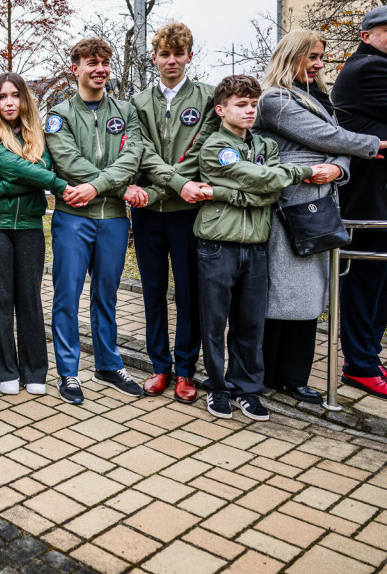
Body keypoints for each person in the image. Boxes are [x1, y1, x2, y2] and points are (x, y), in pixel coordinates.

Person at [254, 29, 383, 404]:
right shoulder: (274, 100)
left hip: (320, 206)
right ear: (291, 56)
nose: (318, 64)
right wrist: (373, 144)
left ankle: (294, 377)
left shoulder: (318, 98)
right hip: (288, 208)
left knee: (311, 295)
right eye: (311, 56)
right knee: (280, 294)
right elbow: (327, 137)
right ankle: (264, 375)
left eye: (320, 57)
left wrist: (338, 169)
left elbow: (338, 140)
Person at [195, 74, 324, 421]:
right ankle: (218, 387)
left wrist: (221, 193)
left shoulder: (266, 146)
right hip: (217, 246)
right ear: (221, 110)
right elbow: (261, 179)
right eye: (241, 104)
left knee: (250, 324)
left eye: (253, 104)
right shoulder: (214, 147)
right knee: (214, 323)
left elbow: (271, 191)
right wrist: (303, 171)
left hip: (255, 247)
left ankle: (246, 389)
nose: (250, 110)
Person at [45, 38, 145, 405]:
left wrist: (99, 187)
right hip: (73, 217)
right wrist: (110, 186)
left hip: (114, 219)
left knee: (107, 296)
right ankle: (68, 372)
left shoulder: (126, 111)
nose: (100, 69)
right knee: (66, 297)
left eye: (104, 63)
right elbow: (67, 161)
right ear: (75, 69)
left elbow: (133, 156)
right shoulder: (58, 115)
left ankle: (108, 365)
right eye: (92, 63)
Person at [131, 22, 220, 404]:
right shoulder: (137, 102)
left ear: (189, 56)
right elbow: (141, 153)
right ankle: (159, 366)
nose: (171, 61)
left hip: (189, 211)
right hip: (148, 212)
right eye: (164, 55)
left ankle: (185, 370)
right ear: (154, 58)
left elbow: (203, 151)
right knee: (152, 291)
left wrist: (175, 187)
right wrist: (173, 183)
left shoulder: (208, 98)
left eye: (178, 54)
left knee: (188, 293)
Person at [0, 73, 68, 395]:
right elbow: (24, 171)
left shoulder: (39, 135)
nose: (9, 102)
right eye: (2, 96)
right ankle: (4, 370)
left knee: (29, 298)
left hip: (29, 226)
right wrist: (50, 182)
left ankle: (35, 370)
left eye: (15, 95)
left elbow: (39, 171)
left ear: (24, 99)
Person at [335, 5, 387, 399]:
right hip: (367, 203)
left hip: (377, 199)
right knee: (364, 283)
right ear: (366, 36)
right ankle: (360, 365)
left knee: (380, 284)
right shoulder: (368, 67)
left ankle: (368, 356)